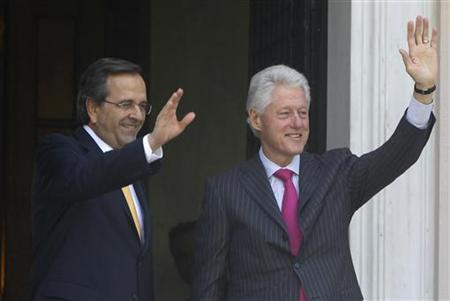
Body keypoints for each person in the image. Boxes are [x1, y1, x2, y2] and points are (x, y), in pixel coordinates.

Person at [192, 16, 438, 301]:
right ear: (256, 119)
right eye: (285, 114)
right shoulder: (225, 190)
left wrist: (423, 92)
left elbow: (398, 155)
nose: (297, 123)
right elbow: (208, 285)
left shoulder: (336, 173)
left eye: (303, 112)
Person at [31, 57, 195, 301]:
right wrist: (150, 143)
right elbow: (85, 177)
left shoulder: (129, 169)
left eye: (142, 106)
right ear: (93, 108)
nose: (137, 115)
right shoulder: (59, 151)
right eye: (126, 104)